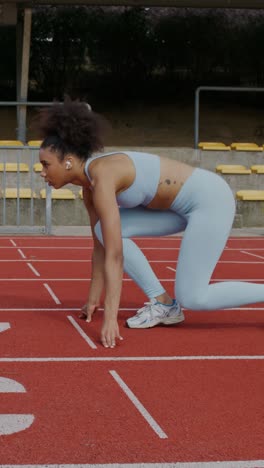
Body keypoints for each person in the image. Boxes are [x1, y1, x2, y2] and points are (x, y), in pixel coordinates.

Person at [35, 99, 264, 349]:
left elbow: (115, 255)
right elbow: (100, 246)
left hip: (209, 201)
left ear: (68, 162)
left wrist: (110, 319)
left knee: (193, 297)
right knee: (103, 231)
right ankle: (164, 304)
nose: (42, 172)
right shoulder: (89, 188)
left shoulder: (103, 177)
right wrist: (93, 298)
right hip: (176, 209)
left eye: (46, 164)